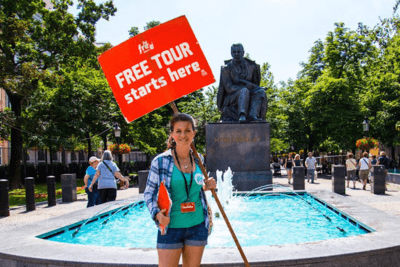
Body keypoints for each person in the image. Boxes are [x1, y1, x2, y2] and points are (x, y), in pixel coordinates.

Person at [144, 113, 217, 267]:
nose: (183, 135)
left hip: (197, 225)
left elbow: (196, 188)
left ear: (194, 133)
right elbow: (149, 193)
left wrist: (207, 186)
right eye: (178, 131)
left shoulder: (199, 160)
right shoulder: (161, 161)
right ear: (172, 134)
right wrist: (157, 215)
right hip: (170, 227)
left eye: (187, 130)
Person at [217, 43, 268, 122]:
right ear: (231, 53)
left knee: (260, 92)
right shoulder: (226, 68)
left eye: (238, 52)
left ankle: (253, 115)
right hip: (232, 96)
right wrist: (246, 87)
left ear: (243, 53)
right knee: (244, 91)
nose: (236, 54)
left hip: (249, 92)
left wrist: (256, 88)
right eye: (234, 52)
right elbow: (229, 88)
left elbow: (255, 83)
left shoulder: (252, 66)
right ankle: (242, 115)